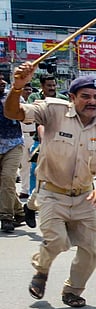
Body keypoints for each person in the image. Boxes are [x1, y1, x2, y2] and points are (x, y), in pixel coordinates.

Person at [6, 68, 96, 308]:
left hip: (83, 197)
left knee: (91, 251)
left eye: (95, 96)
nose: (91, 101)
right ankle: (42, 270)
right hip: (51, 193)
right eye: (85, 96)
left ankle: (72, 290)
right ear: (72, 97)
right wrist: (17, 88)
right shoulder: (52, 111)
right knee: (57, 241)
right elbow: (13, 112)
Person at [0, 75, 28, 233]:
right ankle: (19, 212)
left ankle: (6, 217)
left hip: (13, 144)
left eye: (2, 79)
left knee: (8, 178)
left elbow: (26, 114)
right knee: (3, 185)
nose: (2, 82)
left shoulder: (13, 96)